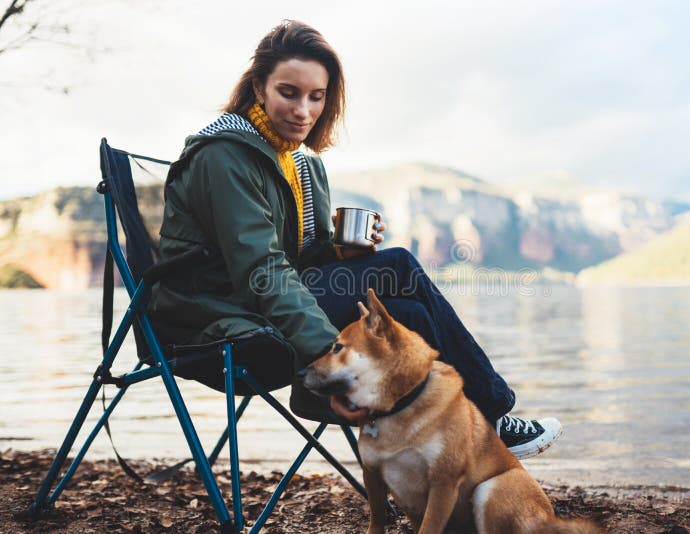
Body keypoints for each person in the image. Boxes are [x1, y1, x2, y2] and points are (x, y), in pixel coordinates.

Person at [149, 20, 561, 460]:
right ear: (259, 87)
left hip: (259, 301)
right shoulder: (224, 157)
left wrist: (350, 255)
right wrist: (335, 365)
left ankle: (451, 453)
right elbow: (261, 270)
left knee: (405, 312)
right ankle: (490, 419)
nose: (303, 111)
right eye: (289, 92)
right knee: (399, 266)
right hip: (215, 317)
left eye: (316, 97)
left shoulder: (300, 165)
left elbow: (305, 261)